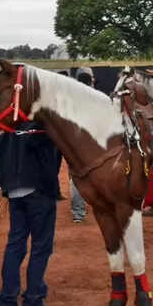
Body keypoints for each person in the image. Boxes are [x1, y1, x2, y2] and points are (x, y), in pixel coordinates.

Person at [0, 120, 64, 306]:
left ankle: (7, 303)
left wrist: (7, 169)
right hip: (39, 189)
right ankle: (33, 302)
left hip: (14, 190)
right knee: (41, 247)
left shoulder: (7, 124)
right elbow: (51, 149)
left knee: (15, 245)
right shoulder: (41, 122)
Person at [70, 67, 96, 223]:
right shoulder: (95, 97)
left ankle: (78, 213)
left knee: (76, 177)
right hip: (92, 143)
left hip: (74, 144)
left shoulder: (70, 97)